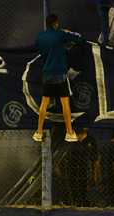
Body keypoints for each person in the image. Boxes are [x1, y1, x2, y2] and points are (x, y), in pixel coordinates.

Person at [33, 14, 84, 143]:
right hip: (60, 73)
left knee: (44, 103)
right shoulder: (60, 34)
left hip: (47, 74)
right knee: (65, 103)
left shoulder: (40, 37)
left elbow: (38, 50)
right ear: (56, 23)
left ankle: (38, 132)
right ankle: (69, 132)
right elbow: (79, 39)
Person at [63, 128, 99, 207]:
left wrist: (94, 175)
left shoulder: (90, 140)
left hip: (85, 169)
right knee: (73, 190)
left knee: (84, 190)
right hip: (72, 169)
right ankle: (74, 203)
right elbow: (63, 157)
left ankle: (84, 203)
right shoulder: (70, 138)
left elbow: (95, 160)